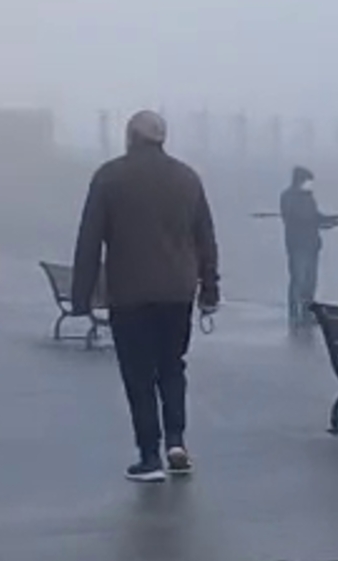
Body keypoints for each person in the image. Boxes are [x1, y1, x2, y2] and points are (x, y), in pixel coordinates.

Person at [71, 110, 220, 483]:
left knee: (138, 375)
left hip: (130, 293)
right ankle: (176, 442)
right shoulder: (187, 178)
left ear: (130, 137)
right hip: (178, 293)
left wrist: (81, 296)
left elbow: (89, 239)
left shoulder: (109, 177)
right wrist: (210, 289)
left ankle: (150, 456)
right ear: (162, 138)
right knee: (172, 366)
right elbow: (205, 238)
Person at [280, 166, 338, 328]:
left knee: (310, 281)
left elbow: (316, 217)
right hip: (297, 246)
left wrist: (332, 220)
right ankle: (294, 314)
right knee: (298, 280)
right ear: (300, 181)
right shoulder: (288, 197)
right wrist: (321, 221)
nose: (310, 184)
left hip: (312, 245)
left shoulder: (308, 198)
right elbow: (300, 218)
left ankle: (307, 313)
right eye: (308, 181)